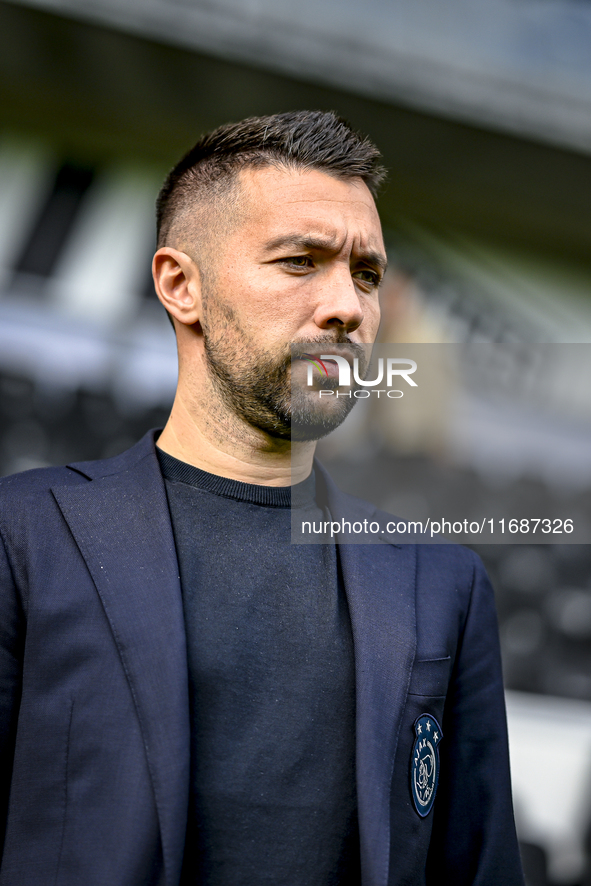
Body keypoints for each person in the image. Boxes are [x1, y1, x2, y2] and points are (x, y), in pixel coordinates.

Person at [0, 111, 524, 885]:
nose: (347, 305)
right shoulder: (25, 535)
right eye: (300, 261)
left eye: (366, 274)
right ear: (182, 286)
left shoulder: (442, 584)